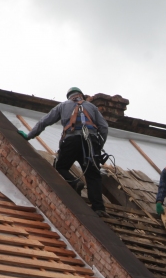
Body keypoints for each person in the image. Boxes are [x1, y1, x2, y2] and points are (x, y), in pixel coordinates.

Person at [19, 87, 109, 215]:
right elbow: (104, 127)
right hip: (90, 142)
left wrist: (29, 136)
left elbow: (44, 121)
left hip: (71, 141)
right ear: (81, 95)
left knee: (61, 166)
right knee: (93, 174)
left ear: (69, 97)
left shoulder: (63, 106)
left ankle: (75, 182)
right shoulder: (92, 107)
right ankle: (99, 208)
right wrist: (98, 147)